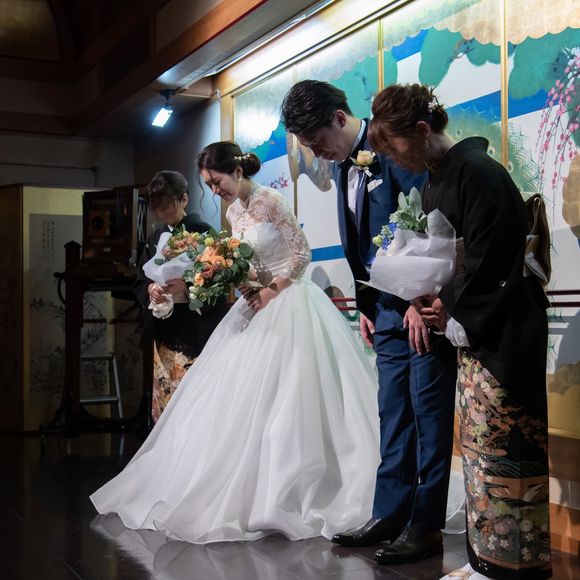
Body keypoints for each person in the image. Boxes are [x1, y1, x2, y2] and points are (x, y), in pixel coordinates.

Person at [90, 142, 381, 543]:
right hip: (253, 304)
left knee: (292, 397)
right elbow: (243, 263)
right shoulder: (232, 213)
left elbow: (301, 254)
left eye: (217, 181)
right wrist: (239, 282)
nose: (215, 191)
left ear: (237, 171)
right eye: (209, 185)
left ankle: (296, 489)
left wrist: (272, 290)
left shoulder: (271, 200)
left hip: (288, 301)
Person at [368, 83, 551, 580]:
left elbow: (493, 259)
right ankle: (487, 559)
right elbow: (447, 260)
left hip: (503, 330)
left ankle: (514, 565)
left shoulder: (479, 172)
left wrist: (445, 304)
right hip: (472, 332)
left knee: (507, 444)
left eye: (395, 147)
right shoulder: (437, 179)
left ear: (421, 130)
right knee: (478, 446)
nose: (394, 159)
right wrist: (423, 296)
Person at [280, 80, 458, 565]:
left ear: (340, 118)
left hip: (417, 308)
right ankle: (389, 514)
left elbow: (426, 226)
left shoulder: (392, 149)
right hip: (384, 311)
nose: (318, 153)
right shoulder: (346, 166)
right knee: (392, 414)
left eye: (318, 141)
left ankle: (425, 524)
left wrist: (417, 297)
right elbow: (363, 243)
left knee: (428, 415)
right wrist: (367, 307)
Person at [135, 171, 228, 422]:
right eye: (159, 210)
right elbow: (140, 278)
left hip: (192, 329)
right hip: (163, 329)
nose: (163, 214)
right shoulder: (155, 236)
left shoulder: (203, 233)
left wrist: (186, 286)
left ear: (184, 199)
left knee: (189, 404)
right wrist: (150, 289)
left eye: (168, 207)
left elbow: (218, 283)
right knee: (164, 400)